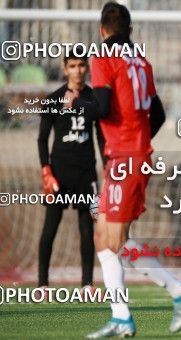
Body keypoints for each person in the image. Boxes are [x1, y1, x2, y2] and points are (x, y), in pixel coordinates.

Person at [85, 2, 181, 338]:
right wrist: (137, 141)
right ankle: (122, 317)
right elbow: (159, 114)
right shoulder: (143, 63)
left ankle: (178, 290)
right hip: (130, 156)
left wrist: (76, 104)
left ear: (102, 30)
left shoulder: (103, 59)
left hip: (125, 159)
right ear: (130, 30)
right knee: (105, 240)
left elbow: (102, 107)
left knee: (113, 243)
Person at [37, 47, 103, 296]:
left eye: (82, 65)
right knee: (50, 227)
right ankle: (42, 284)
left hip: (86, 173)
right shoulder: (53, 100)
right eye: (73, 66)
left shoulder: (94, 100)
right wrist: (46, 170)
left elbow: (100, 135)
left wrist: (106, 166)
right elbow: (42, 139)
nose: (78, 70)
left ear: (87, 68)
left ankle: (87, 284)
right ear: (65, 69)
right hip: (59, 173)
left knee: (87, 230)